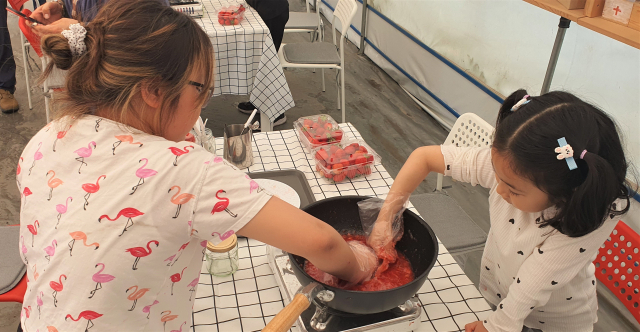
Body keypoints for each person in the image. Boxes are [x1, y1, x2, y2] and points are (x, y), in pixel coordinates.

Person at [17, 1, 377, 330]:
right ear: (154, 92)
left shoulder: (46, 138)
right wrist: (362, 261)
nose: (202, 106)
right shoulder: (183, 170)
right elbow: (325, 245)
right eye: (201, 90)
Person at [368, 90, 634, 332]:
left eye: (514, 191)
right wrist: (385, 219)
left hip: (555, 322)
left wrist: (499, 326)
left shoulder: (587, 215)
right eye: (497, 176)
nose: (499, 191)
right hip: (500, 297)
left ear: (564, 191)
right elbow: (423, 158)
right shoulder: (511, 169)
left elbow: (533, 283)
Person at [237, 0, 289, 129]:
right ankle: (258, 102)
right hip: (261, 9)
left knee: (267, 62)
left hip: (272, 12)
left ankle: (276, 114)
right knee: (259, 61)